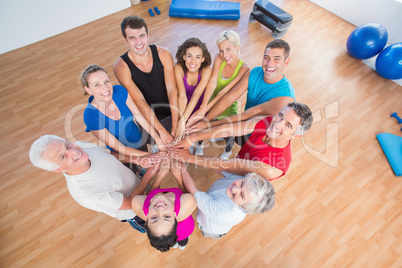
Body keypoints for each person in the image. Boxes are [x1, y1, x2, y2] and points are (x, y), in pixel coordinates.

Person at [29, 135, 163, 232]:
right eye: (63, 156)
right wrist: (149, 174)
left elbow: (110, 154)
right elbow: (132, 203)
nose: (74, 151)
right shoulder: (85, 194)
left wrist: (137, 161)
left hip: (139, 182)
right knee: (160, 228)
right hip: (135, 212)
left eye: (67, 144)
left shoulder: (81, 145)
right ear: (59, 169)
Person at [187, 39, 295, 146]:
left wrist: (207, 124)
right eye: (266, 58)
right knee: (239, 145)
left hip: (262, 142)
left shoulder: (285, 98)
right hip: (243, 130)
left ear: (286, 62)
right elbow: (230, 97)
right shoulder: (254, 73)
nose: (269, 64)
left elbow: (247, 116)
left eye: (277, 59)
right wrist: (206, 119)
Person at [171, 102, 313, 180]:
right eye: (280, 116)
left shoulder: (272, 167)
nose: (277, 124)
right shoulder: (267, 121)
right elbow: (228, 129)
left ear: (296, 136)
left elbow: (224, 164)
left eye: (288, 125)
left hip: (243, 185)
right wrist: (192, 138)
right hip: (237, 162)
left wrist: (188, 157)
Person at [81, 64, 163, 173]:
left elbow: (140, 118)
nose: (105, 88)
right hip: (123, 155)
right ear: (88, 89)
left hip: (138, 140)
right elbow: (119, 147)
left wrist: (159, 140)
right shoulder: (90, 116)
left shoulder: (119, 91)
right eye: (97, 85)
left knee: (149, 169)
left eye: (106, 81)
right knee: (135, 175)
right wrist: (152, 155)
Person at [113, 15, 179, 149]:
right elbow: (139, 101)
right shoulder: (121, 67)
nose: (138, 42)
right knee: (161, 153)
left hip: (171, 110)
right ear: (125, 40)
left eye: (141, 36)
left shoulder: (164, 54)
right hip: (148, 118)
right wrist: (160, 131)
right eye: (132, 38)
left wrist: (176, 122)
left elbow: (172, 90)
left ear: (148, 34)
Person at [185, 30, 251, 158]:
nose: (224, 54)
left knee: (228, 132)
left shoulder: (245, 69)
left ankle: (228, 151)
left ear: (237, 47)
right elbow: (213, 81)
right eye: (221, 50)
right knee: (203, 124)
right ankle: (201, 144)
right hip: (211, 100)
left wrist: (204, 109)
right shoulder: (219, 57)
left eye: (228, 49)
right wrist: (203, 106)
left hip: (227, 106)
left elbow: (224, 92)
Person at [180, 170, 275, 239]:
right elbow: (221, 169)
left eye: (242, 195)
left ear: (245, 206)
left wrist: (183, 170)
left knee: (205, 230)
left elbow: (194, 192)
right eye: (242, 184)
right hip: (209, 207)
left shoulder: (223, 213)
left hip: (210, 228)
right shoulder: (247, 183)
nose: (235, 189)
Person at [131, 162, 197, 252]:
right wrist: (177, 174)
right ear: (175, 217)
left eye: (154, 217)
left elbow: (151, 195)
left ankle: (176, 244)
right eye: (167, 216)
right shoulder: (187, 203)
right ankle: (182, 244)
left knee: (180, 241)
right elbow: (184, 194)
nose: (160, 209)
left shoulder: (138, 205)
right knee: (183, 239)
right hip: (184, 230)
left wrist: (161, 175)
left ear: (146, 222)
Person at [174, 37, 212, 155]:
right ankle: (188, 142)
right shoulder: (178, 68)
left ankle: (199, 145)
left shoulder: (206, 70)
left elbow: (196, 94)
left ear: (203, 59)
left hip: (199, 107)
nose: (193, 61)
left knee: (199, 129)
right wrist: (182, 121)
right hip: (184, 106)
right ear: (184, 56)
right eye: (189, 56)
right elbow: (182, 96)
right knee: (185, 130)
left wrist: (182, 122)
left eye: (197, 57)